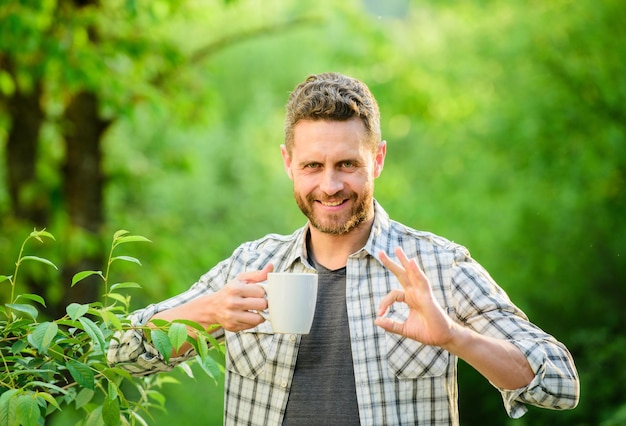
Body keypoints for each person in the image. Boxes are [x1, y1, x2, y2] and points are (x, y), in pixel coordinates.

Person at [108, 72, 579, 425]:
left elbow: (559, 382)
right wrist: (209, 311)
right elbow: (119, 351)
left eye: (347, 164)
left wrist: (456, 336)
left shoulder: (438, 266)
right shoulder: (250, 266)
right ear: (288, 163)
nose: (330, 185)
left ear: (377, 159)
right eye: (313, 165)